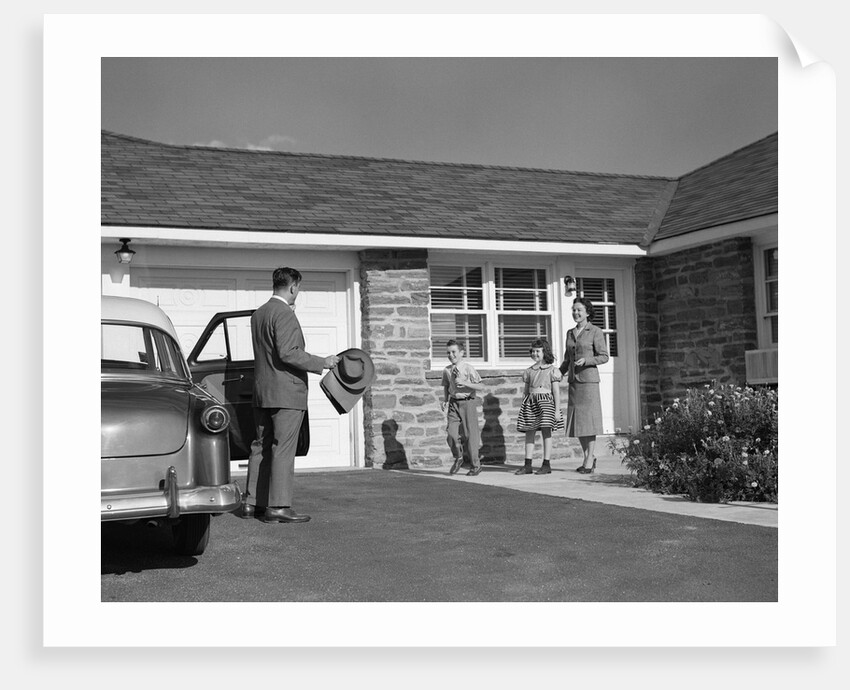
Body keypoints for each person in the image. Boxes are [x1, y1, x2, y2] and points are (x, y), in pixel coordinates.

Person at [240, 267, 340, 523]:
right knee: (283, 448)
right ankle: (279, 506)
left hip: (263, 390)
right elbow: (288, 353)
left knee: (260, 446)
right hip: (286, 392)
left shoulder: (259, 313)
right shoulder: (284, 313)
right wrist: (323, 361)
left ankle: (253, 502)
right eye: (299, 288)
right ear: (293, 286)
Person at [559, 297, 609, 474]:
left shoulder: (595, 331)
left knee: (589, 422)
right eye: (573, 310)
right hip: (574, 382)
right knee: (578, 423)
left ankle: (589, 459)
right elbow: (567, 359)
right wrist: (559, 373)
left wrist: (587, 360)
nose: (576, 313)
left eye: (579, 310)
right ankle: (589, 456)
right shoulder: (570, 333)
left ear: (587, 312)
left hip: (588, 382)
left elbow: (604, 356)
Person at [514, 338, 564, 475]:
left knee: (546, 432)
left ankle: (546, 464)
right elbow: (526, 390)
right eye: (533, 351)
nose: (535, 354)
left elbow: (556, 392)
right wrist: (524, 403)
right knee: (529, 431)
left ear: (544, 352)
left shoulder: (552, 370)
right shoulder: (529, 371)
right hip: (531, 402)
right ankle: (527, 464)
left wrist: (557, 410)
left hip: (546, 403)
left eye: (538, 351)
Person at [440, 340, 485, 476]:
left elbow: (481, 386)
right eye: (448, 352)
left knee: (471, 436)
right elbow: (447, 386)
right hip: (454, 403)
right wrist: (445, 400)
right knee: (451, 433)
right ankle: (459, 456)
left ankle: (475, 466)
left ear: (461, 353)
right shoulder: (447, 370)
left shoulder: (468, 368)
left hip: (467, 402)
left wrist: (465, 383)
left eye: (454, 352)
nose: (451, 355)